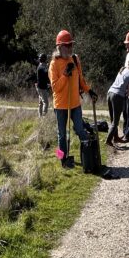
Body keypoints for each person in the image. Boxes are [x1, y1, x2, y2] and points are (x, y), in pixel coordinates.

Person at [48, 29, 97, 168]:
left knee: (80, 130)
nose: (70, 48)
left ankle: (87, 157)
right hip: (60, 106)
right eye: (67, 45)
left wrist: (89, 91)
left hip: (75, 103)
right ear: (60, 47)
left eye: (71, 45)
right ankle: (61, 158)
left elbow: (81, 79)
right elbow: (55, 87)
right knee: (61, 134)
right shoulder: (53, 64)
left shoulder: (75, 59)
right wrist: (64, 74)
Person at [107, 57, 129, 145]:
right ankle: (108, 140)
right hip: (117, 96)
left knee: (113, 119)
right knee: (116, 121)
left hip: (109, 93)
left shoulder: (123, 69)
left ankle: (116, 138)